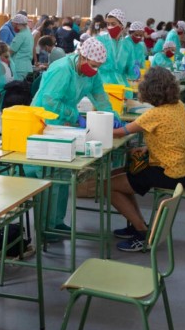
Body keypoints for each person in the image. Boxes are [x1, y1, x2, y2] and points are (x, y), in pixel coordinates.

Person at [29, 37, 120, 233]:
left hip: (64, 125)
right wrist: (74, 115)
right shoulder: (61, 69)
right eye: (94, 65)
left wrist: (113, 115)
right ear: (82, 56)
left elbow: (100, 96)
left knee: (63, 176)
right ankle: (45, 227)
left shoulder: (91, 73)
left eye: (99, 67)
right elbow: (49, 101)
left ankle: (56, 222)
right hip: (44, 122)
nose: (95, 70)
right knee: (49, 176)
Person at [110, 67, 185, 251]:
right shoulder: (178, 105)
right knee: (123, 175)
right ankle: (137, 224)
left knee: (108, 186)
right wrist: (149, 147)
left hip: (169, 173)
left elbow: (120, 133)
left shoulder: (154, 114)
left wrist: (89, 129)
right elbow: (172, 135)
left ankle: (142, 233)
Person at [8, 13, 34, 81]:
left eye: (14, 25)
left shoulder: (21, 35)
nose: (13, 27)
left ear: (18, 24)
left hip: (19, 67)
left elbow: (11, 51)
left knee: (17, 88)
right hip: (26, 66)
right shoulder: (28, 33)